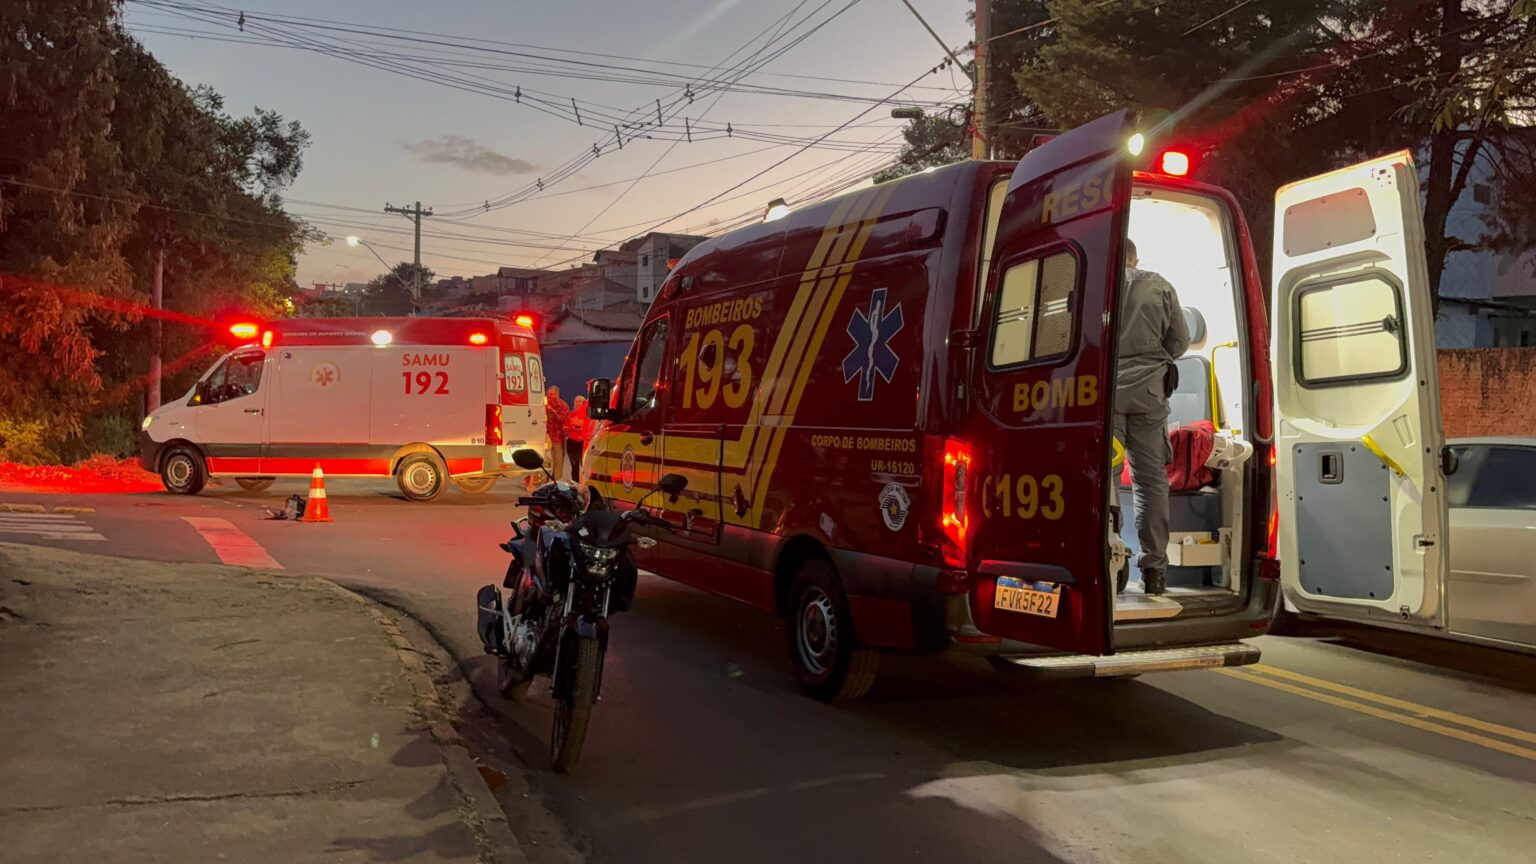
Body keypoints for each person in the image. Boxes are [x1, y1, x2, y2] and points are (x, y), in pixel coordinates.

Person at [1115, 238, 1190, 596]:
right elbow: (1180, 341)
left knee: (1104, 480)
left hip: (1106, 396)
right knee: (1150, 481)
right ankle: (1154, 571)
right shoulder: (1159, 283)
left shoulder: (1097, 285)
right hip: (1149, 393)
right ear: (1136, 258)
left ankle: (1110, 560)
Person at [545, 385, 570, 481]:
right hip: (546, 436)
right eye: (548, 394)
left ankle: (556, 481)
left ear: (557, 394)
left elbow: (563, 420)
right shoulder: (543, 404)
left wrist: (553, 411)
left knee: (558, 460)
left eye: (551, 395)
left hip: (558, 437)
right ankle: (543, 482)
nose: (549, 397)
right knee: (545, 460)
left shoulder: (563, 405)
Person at [563, 395, 590, 481]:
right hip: (572, 443)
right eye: (576, 401)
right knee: (574, 467)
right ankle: (575, 485)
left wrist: (578, 428)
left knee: (585, 466)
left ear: (584, 403)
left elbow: (588, 428)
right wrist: (573, 428)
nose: (577, 404)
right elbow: (564, 427)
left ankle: (584, 485)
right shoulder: (571, 414)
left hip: (583, 443)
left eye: (579, 401)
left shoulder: (588, 416)